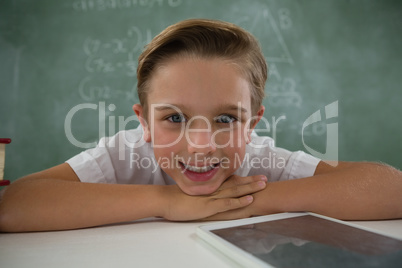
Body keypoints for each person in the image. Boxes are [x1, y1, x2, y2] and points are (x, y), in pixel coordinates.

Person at [0, 19, 401, 232]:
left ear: (253, 125)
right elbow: (16, 205)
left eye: (226, 119)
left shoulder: (257, 161)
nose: (201, 145)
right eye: (174, 118)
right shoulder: (124, 154)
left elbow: (391, 188)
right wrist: (170, 203)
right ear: (145, 123)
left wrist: (241, 203)